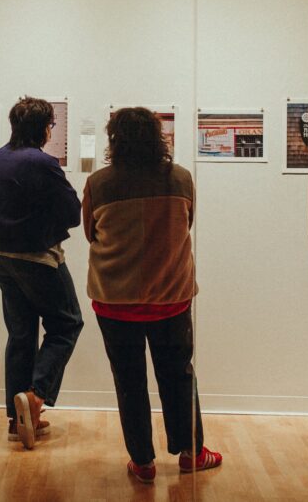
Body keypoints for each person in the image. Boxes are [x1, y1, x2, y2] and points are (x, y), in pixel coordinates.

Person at [83, 107, 222, 484]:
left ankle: (143, 462)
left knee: (128, 381)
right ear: (157, 137)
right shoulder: (180, 178)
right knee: (178, 375)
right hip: (170, 296)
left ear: (114, 140)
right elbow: (187, 223)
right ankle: (192, 452)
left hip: (115, 300)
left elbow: (90, 232)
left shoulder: (99, 183)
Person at [0, 97, 84, 449]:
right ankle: (36, 396)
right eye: (50, 125)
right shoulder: (42, 163)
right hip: (37, 258)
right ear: (43, 128)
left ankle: (19, 420)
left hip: (0, 257)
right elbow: (74, 212)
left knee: (21, 335)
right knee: (67, 323)